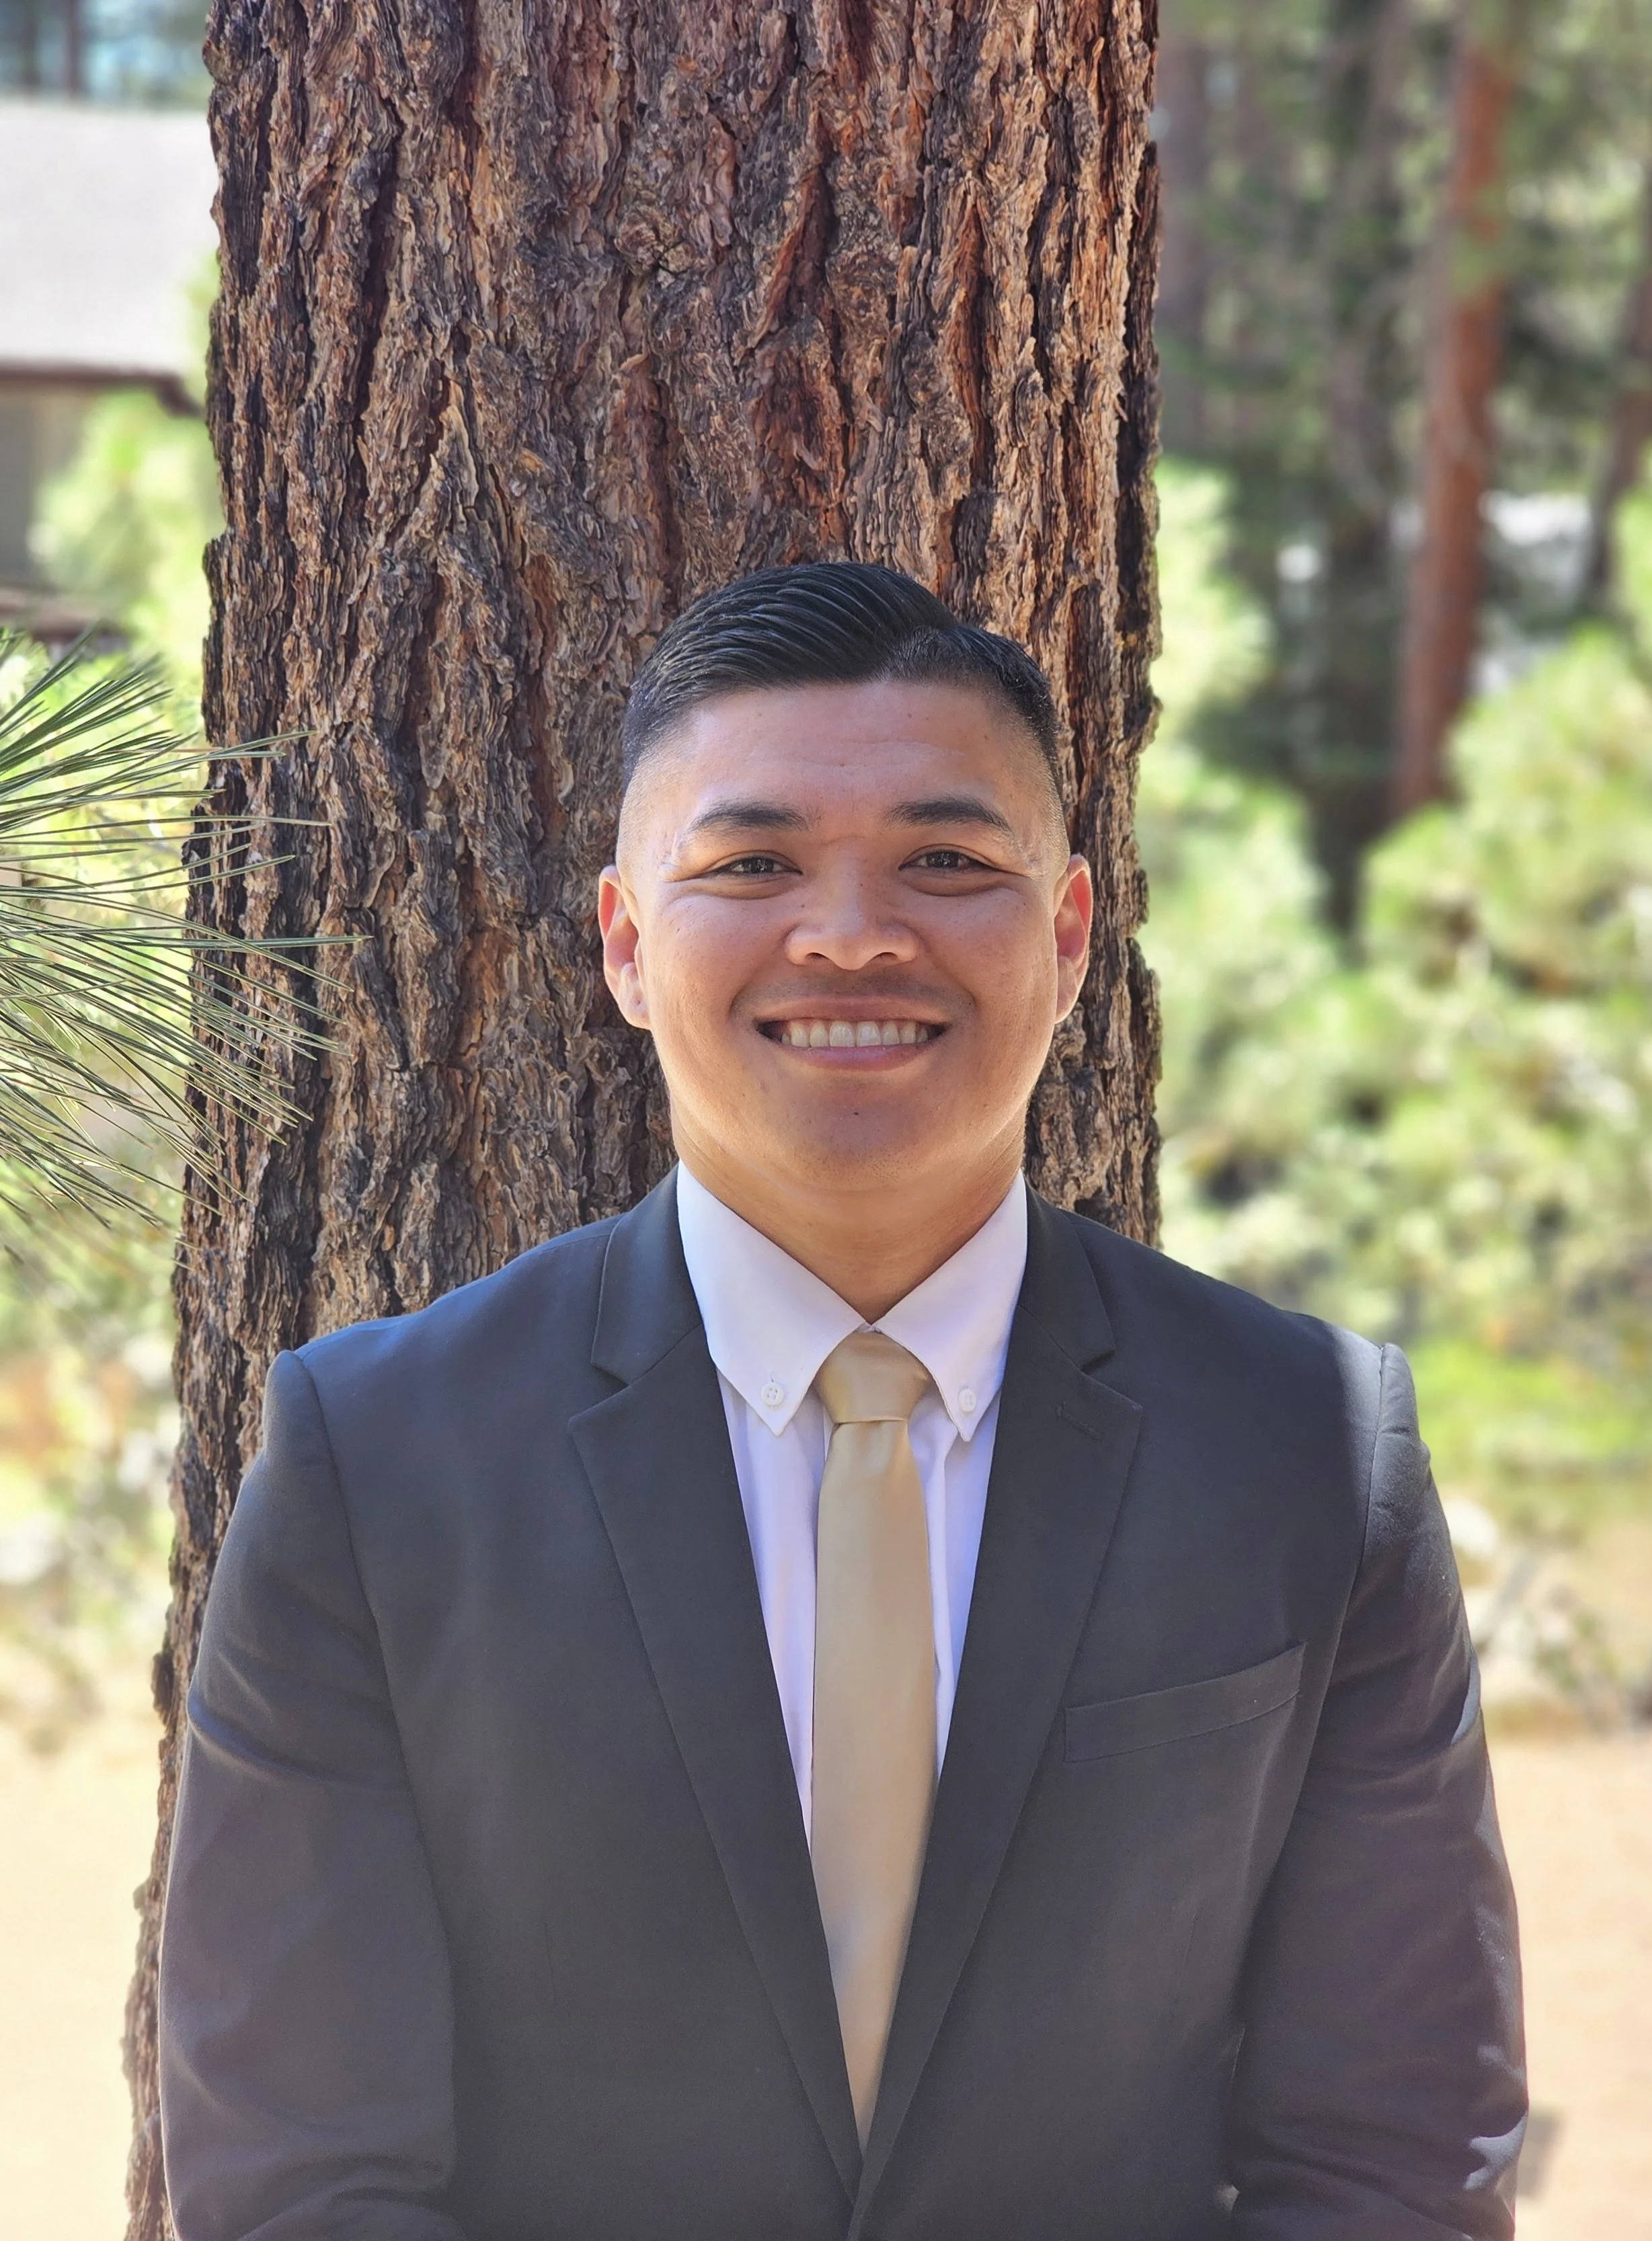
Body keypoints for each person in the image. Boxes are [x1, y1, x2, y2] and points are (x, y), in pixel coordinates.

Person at [159, 561, 1526, 2241]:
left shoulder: (1309, 1448)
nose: (853, 930)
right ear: (627, 945)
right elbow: (302, 2180)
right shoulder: (378, 1463)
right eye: (753, 864)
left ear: (1072, 932)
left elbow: (1394, 2152)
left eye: (947, 861)